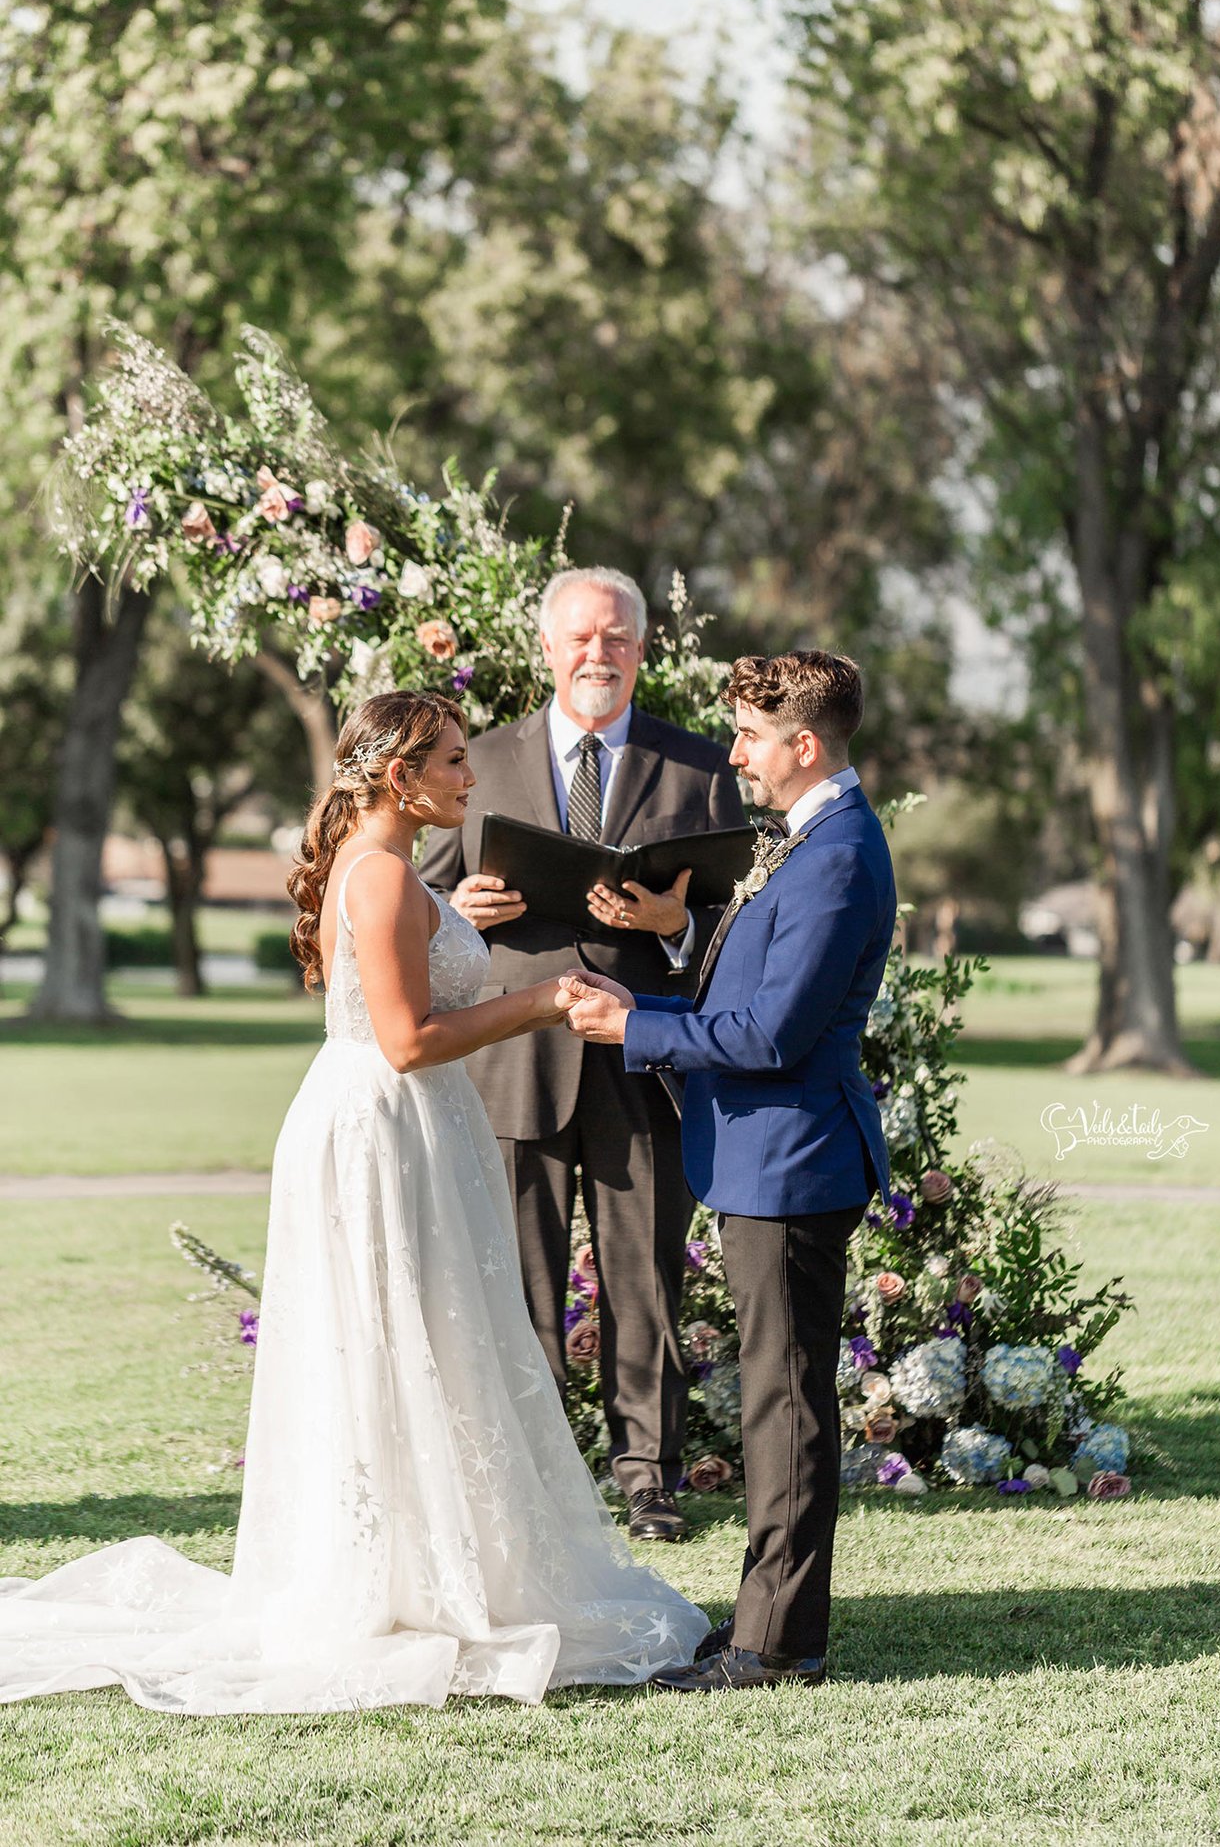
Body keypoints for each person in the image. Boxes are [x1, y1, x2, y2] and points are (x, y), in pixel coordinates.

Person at [0, 692, 708, 1712]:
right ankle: (388, 1582)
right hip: (381, 1125)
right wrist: (545, 1000)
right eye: (455, 762)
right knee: (388, 1342)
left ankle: (432, 1562)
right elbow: (406, 1039)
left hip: (414, 1125)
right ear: (399, 776)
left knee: (431, 1340)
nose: (472, 778)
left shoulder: (392, 871)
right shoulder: (376, 875)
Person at [560, 651, 895, 1693]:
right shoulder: (811, 841)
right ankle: (766, 1621)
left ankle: (775, 1645)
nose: (736, 754)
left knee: (785, 1407)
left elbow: (774, 1029)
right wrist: (682, 928)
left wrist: (633, 1023)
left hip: (793, 1159)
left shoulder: (837, 851)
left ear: (804, 745)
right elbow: (765, 965)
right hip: (764, 1155)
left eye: (750, 736)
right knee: (773, 1399)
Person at [418, 567, 744, 1545]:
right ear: (547, 648)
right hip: (512, 1059)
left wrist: (682, 921)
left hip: (645, 1058)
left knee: (645, 1275)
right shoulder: (478, 761)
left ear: (641, 649)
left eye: (616, 638)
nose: (597, 654)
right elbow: (415, 900)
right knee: (515, 1278)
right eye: (580, 638)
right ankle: (528, 1472)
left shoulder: (696, 767)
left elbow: (741, 923)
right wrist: (455, 907)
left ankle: (647, 1473)